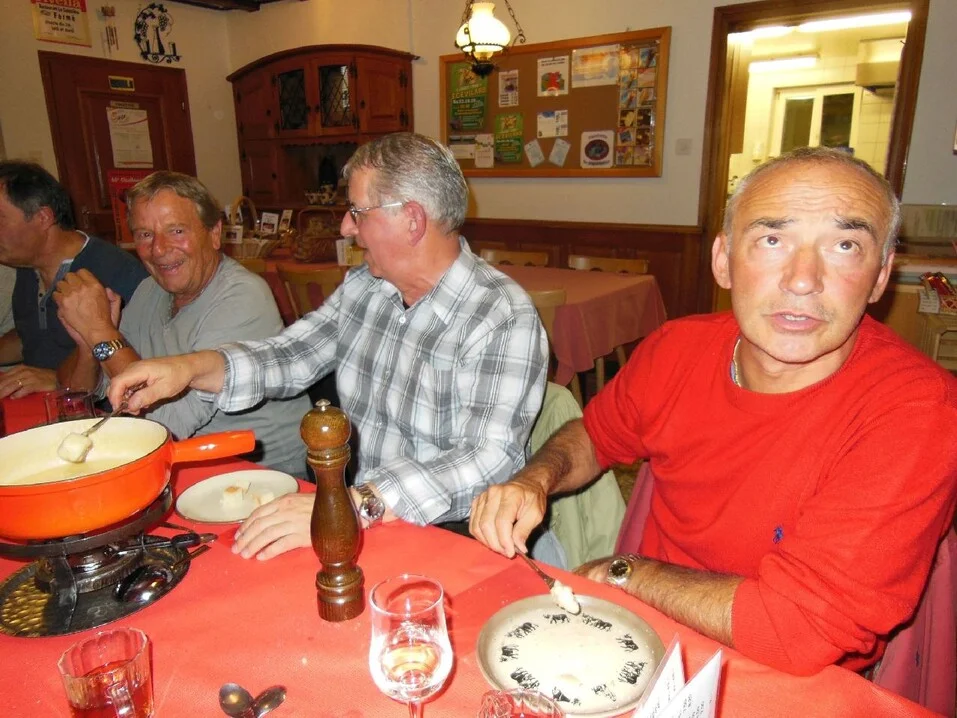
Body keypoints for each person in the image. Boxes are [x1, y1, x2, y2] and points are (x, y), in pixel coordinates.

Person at [469, 146, 957, 677]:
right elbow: (594, 435)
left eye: (845, 246)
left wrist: (622, 572)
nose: (802, 279)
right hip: (648, 633)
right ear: (723, 260)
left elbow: (794, 630)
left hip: (790, 675)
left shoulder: (917, 411)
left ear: (881, 275)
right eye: (772, 240)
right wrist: (535, 479)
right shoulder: (676, 348)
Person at [106, 132, 549, 560]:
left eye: (357, 212)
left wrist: (353, 507)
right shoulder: (367, 288)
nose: (346, 227)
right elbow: (290, 356)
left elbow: (487, 460)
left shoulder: (499, 314)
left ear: (411, 220)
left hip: (454, 536)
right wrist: (189, 369)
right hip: (368, 517)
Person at [53, 171, 309, 476]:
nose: (159, 249)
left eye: (176, 231)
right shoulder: (149, 290)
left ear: (214, 233)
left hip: (260, 474)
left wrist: (100, 331)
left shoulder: (243, 296)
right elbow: (77, 396)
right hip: (182, 466)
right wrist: (88, 342)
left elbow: (166, 424)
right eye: (145, 234)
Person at [0, 161, 147, 398]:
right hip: (37, 402)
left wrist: (57, 379)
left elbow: (135, 361)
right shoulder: (28, 266)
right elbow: (32, 336)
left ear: (43, 217)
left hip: (94, 407)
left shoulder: (116, 273)